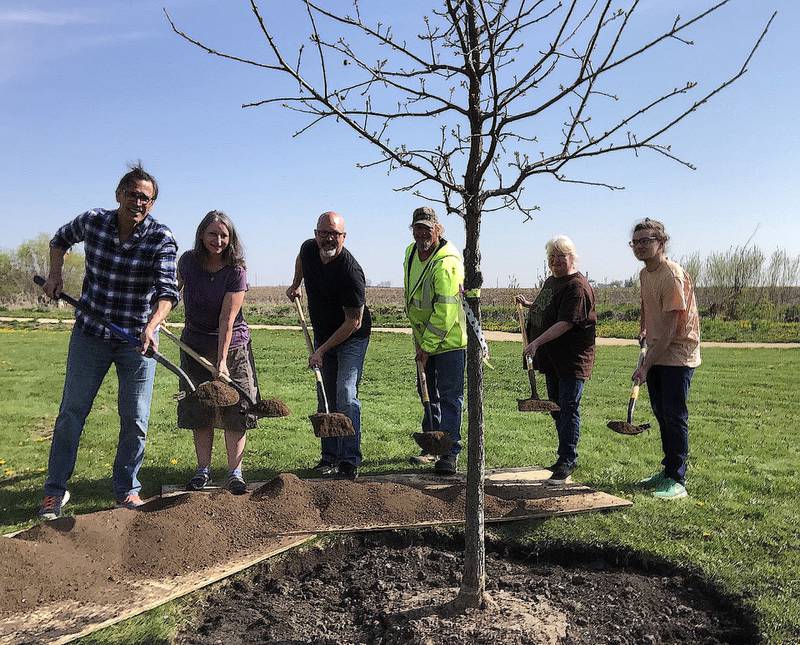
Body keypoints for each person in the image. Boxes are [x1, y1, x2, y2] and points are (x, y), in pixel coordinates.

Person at [37, 164, 179, 519]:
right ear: (119, 194)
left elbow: (166, 293)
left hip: (136, 342)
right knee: (72, 413)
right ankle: (54, 492)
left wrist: (152, 325)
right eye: (132, 195)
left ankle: (127, 491)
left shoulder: (161, 238)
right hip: (90, 334)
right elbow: (59, 240)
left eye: (146, 198)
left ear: (152, 204)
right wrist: (55, 274)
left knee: (135, 418)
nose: (138, 202)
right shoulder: (93, 221)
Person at [177, 211, 259, 495]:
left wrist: (222, 362)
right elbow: (173, 291)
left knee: (237, 407)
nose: (219, 240)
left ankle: (235, 473)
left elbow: (227, 318)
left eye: (224, 235)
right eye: (213, 234)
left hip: (233, 348)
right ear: (202, 235)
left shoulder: (236, 270)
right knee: (201, 408)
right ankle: (203, 471)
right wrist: (158, 315)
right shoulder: (188, 261)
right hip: (194, 345)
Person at [286, 211, 371, 480]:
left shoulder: (351, 271)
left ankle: (349, 460)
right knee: (326, 396)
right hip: (324, 333)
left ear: (343, 237)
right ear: (316, 234)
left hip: (351, 337)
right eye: (324, 233)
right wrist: (295, 283)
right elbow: (301, 259)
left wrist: (321, 350)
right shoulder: (309, 249)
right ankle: (329, 457)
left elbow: (353, 322)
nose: (328, 238)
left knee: (345, 394)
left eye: (334, 233)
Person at [630, 218, 700, 500]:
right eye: (636, 242)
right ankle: (667, 469)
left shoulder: (672, 275)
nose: (640, 247)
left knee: (674, 415)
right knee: (661, 413)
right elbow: (647, 304)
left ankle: (677, 479)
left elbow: (673, 327)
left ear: (662, 243)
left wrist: (645, 366)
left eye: (646, 241)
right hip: (658, 349)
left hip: (678, 353)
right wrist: (643, 328)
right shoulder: (645, 273)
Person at [516, 235, 596, 483]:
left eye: (560, 256)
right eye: (551, 257)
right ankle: (563, 455)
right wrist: (530, 304)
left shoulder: (577, 287)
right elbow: (550, 308)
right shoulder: (552, 281)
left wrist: (537, 342)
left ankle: (567, 460)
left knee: (568, 409)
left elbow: (565, 322)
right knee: (556, 409)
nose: (555, 261)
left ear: (572, 258)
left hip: (571, 361)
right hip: (552, 360)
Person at [403, 206, 467, 476]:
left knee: (450, 398)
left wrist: (427, 346)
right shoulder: (410, 252)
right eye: (417, 228)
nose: (421, 233)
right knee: (428, 394)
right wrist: (421, 343)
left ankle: (449, 453)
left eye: (427, 229)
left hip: (448, 341)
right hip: (423, 338)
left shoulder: (447, 262)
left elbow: (446, 311)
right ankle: (432, 445)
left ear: (437, 230)